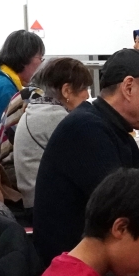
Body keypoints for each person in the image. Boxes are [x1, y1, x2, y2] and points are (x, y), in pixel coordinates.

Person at [32, 49, 139, 265]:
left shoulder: (109, 127)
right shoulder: (86, 129)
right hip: (74, 270)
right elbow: (130, 207)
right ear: (128, 87)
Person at [12, 57, 93, 209]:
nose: (87, 96)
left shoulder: (39, 108)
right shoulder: (55, 117)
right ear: (66, 90)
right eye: (84, 89)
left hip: (36, 200)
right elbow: (87, 160)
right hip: (48, 206)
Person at [0, 31, 45, 149]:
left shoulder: (0, 80)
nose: (41, 63)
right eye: (40, 58)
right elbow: (19, 138)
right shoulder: (5, 88)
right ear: (24, 57)